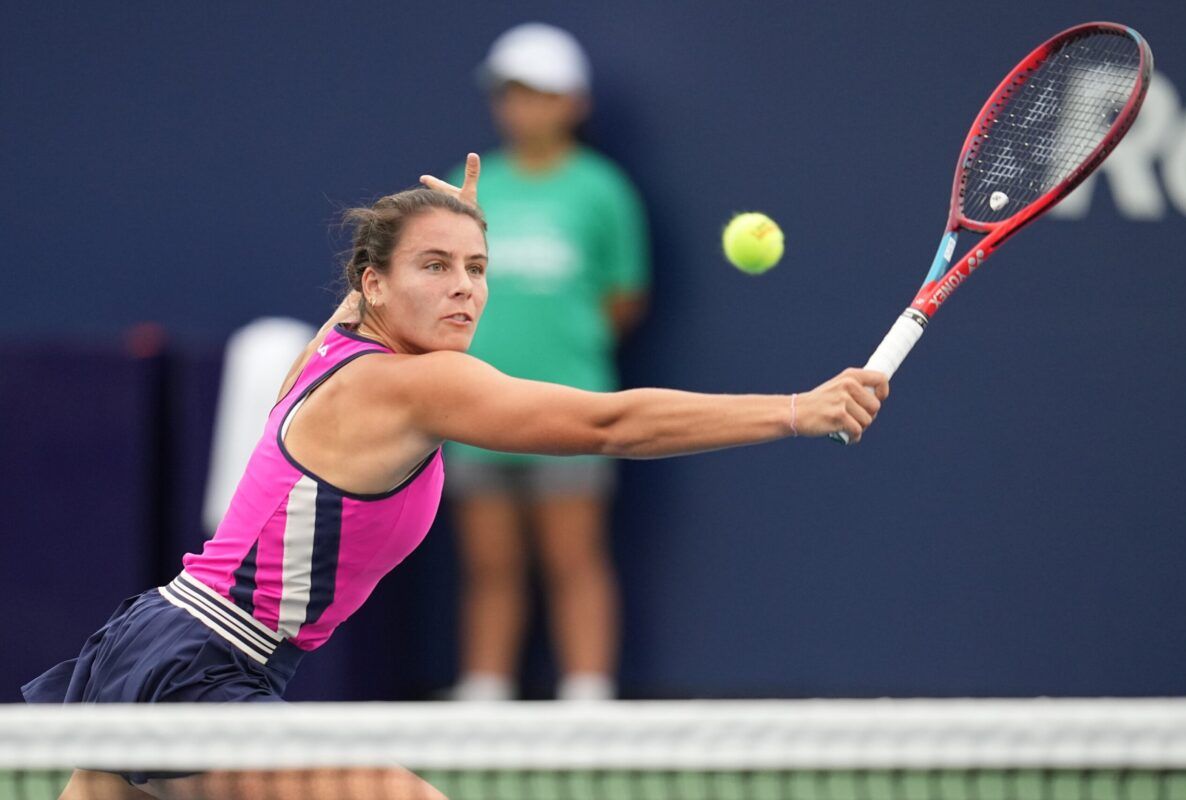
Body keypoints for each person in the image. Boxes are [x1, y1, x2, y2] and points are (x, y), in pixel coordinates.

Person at [22, 155, 888, 800]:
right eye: (434, 268)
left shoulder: (337, 346)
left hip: (157, 639)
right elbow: (608, 424)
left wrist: (437, 233)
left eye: (477, 268)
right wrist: (795, 410)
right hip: (198, 669)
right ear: (374, 285)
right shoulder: (417, 383)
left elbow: (371, 298)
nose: (464, 290)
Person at [443, 22, 651, 703]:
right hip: (473, 406)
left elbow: (624, 297)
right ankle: (485, 690)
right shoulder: (468, 187)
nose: (522, 107)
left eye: (538, 93)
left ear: (573, 103)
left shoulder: (602, 190)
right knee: (488, 563)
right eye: (510, 94)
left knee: (574, 557)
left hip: (571, 405)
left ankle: (587, 694)